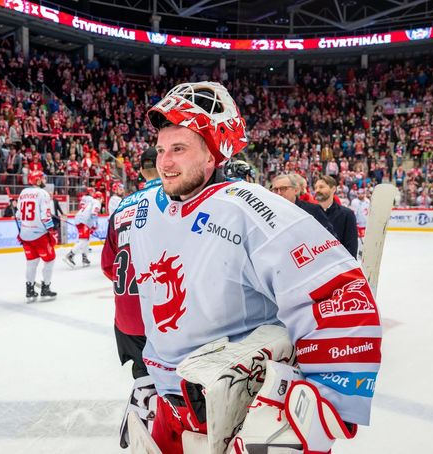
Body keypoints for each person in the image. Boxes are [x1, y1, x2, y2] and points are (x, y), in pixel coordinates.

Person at [128, 82, 381, 453]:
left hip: (240, 414)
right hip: (169, 408)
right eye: (162, 150)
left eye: (179, 149)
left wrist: (329, 398)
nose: (164, 162)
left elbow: (338, 291)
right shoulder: (146, 211)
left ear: (214, 154)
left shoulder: (251, 208)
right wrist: (147, 374)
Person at [100, 147, 161, 448]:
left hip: (125, 318)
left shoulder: (123, 205)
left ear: (140, 171)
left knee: (144, 375)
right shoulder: (173, 199)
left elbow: (107, 266)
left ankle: (142, 417)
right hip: (164, 317)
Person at [15, 170, 57, 302]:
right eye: (43, 179)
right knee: (49, 260)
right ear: (38, 180)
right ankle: (45, 287)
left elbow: (18, 216)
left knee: (31, 262)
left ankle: (30, 290)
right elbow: (45, 216)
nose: (45, 181)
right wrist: (52, 230)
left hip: (25, 234)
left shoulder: (23, 193)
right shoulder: (43, 193)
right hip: (39, 235)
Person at [314, 175, 359, 258]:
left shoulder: (347, 214)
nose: (317, 190)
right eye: (315, 187)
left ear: (333, 189)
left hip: (339, 267)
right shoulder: (309, 214)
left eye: (321, 187)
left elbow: (351, 247)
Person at [64, 190, 102, 268]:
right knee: (83, 241)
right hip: (84, 221)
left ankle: (85, 258)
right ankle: (70, 255)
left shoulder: (90, 201)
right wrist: (95, 225)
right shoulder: (97, 202)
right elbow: (94, 213)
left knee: (86, 240)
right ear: (100, 198)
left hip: (79, 219)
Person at [350, 188, 370, 255]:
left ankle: (362, 251)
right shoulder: (354, 202)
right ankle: (357, 252)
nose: (360, 195)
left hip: (365, 223)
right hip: (357, 224)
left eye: (362, 193)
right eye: (359, 194)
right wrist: (354, 223)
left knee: (365, 238)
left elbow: (369, 212)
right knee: (357, 239)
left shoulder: (368, 201)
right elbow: (353, 213)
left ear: (364, 194)